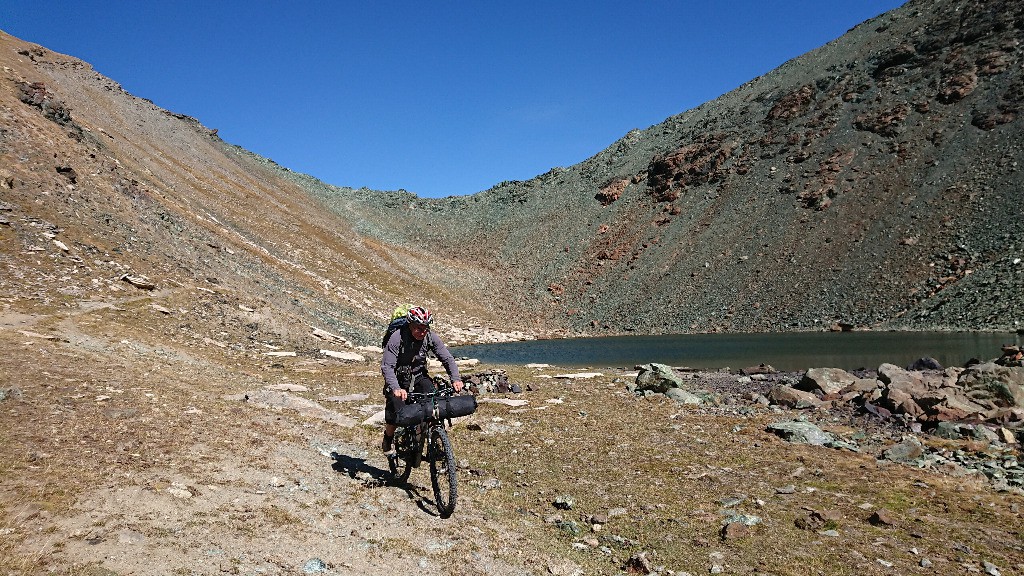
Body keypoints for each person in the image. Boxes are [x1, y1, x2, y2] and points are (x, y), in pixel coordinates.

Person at [380, 305, 463, 453]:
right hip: (398, 380)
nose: (422, 332)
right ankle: (388, 438)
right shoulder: (396, 337)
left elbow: (447, 358)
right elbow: (387, 367)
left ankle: (434, 439)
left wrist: (455, 378)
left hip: (419, 376)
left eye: (425, 328)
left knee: (434, 403)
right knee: (395, 413)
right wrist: (395, 388)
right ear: (410, 325)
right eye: (418, 328)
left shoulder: (430, 336)